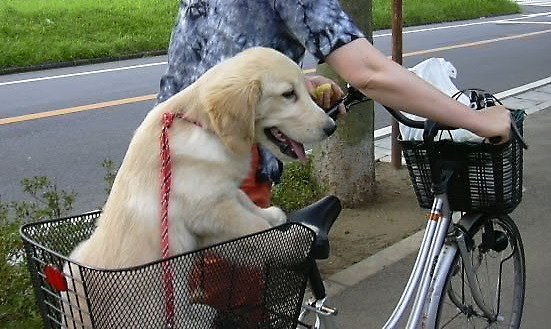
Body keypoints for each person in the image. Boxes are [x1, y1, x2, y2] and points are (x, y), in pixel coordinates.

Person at [157, 0, 511, 207]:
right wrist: (477, 121)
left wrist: (301, 86)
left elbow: (222, 61)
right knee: (239, 307)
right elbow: (369, 73)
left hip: (165, 149)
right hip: (226, 167)